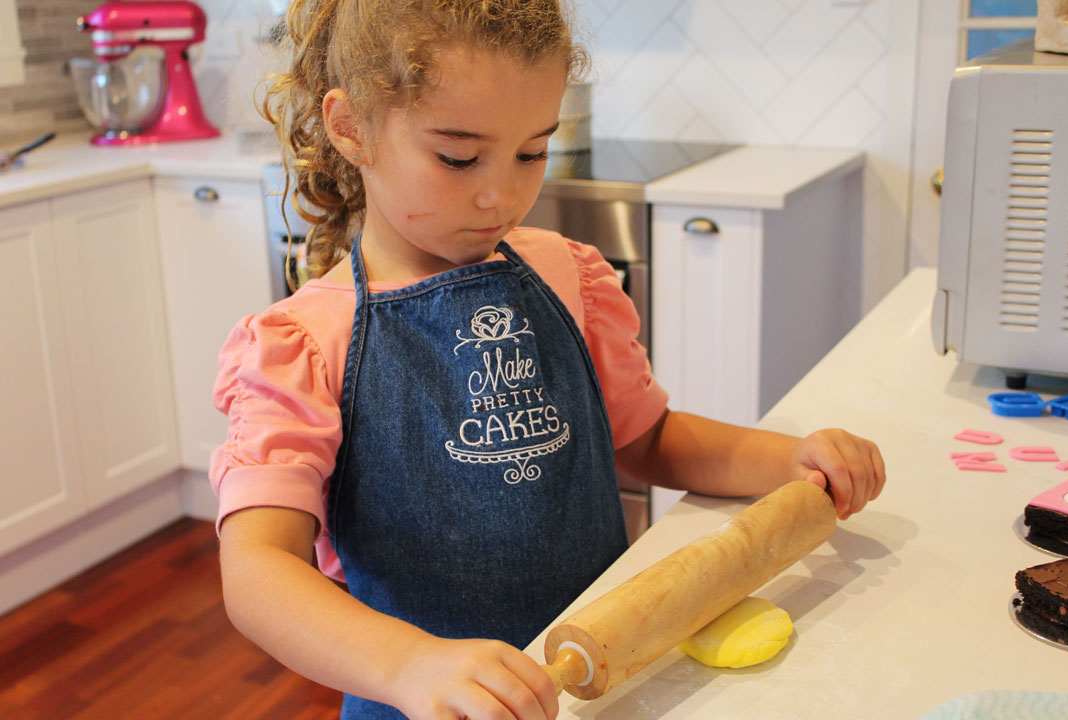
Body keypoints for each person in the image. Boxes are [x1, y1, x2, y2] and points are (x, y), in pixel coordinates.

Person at [211, 2, 886, 719]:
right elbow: (258, 570)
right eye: (459, 157)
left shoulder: (569, 277)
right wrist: (409, 665)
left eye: (532, 151)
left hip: (606, 686)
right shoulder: (303, 345)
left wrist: (793, 461)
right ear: (352, 129)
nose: (502, 193)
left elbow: (650, 440)